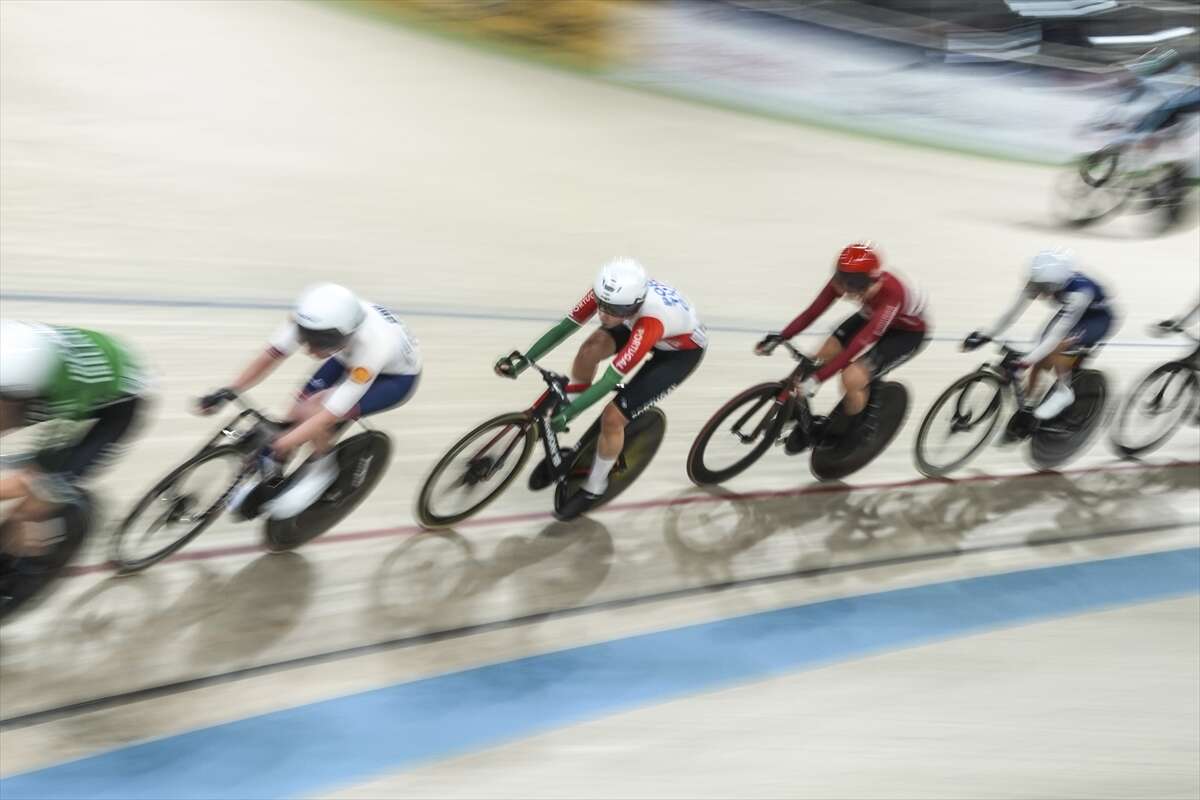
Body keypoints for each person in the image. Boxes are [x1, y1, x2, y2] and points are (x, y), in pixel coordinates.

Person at [494, 258, 706, 520]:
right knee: (590, 349)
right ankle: (572, 409)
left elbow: (608, 381)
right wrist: (524, 360)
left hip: (677, 354)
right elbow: (566, 327)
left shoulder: (651, 319)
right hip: (632, 325)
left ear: (635, 303)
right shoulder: (610, 295)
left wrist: (568, 414)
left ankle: (595, 487)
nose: (603, 315)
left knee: (613, 418)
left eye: (612, 310)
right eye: (601, 306)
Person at [198, 283, 420, 517]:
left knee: (313, 412)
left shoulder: (373, 346)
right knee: (294, 414)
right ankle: (274, 479)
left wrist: (281, 444)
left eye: (318, 345)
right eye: (307, 340)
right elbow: (270, 356)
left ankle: (323, 467)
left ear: (342, 335)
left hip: (393, 378)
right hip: (346, 354)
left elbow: (328, 415)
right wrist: (230, 389)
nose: (309, 351)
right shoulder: (313, 321)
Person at [755, 242, 929, 452]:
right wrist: (782, 336)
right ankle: (799, 416)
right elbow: (812, 312)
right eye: (844, 282)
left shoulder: (893, 294)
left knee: (851, 378)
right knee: (820, 355)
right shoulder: (847, 281)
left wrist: (817, 380)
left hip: (905, 334)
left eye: (854, 287)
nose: (846, 292)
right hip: (873, 315)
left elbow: (855, 348)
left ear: (872, 282)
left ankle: (850, 432)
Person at [0, 321, 147, 559]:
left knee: (37, 498)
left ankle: (29, 562)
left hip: (118, 404)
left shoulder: (64, 396)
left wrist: (40, 489)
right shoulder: (14, 356)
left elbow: (38, 472)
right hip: (72, 371)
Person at [964, 249, 1117, 430]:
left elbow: (1056, 335)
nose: (1039, 290)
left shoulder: (1079, 294)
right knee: (1039, 358)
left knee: (1058, 347)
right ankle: (1027, 408)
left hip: (1096, 319)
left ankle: (1063, 391)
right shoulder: (1041, 280)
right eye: (1037, 285)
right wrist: (986, 334)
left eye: (1044, 287)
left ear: (1056, 283)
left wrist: (1025, 361)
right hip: (1074, 315)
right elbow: (1012, 312)